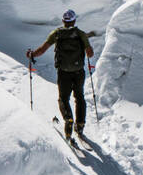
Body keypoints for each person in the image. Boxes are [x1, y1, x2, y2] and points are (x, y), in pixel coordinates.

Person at [27, 9, 94, 140]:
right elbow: (90, 53)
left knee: (63, 98)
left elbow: (42, 50)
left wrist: (31, 54)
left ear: (63, 21)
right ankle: (80, 125)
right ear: (74, 20)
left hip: (64, 73)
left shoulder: (56, 34)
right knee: (79, 97)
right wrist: (86, 48)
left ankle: (68, 119)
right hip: (79, 72)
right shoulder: (81, 34)